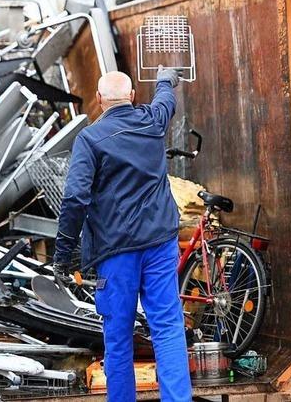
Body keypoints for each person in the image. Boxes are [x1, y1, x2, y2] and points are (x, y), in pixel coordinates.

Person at [52, 67, 192, 402]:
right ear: (131, 97)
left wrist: (62, 253)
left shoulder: (90, 140)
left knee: (118, 338)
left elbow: (75, 199)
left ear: (99, 101)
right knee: (168, 328)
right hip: (160, 243)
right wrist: (164, 79)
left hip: (116, 254)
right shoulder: (152, 121)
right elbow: (165, 101)